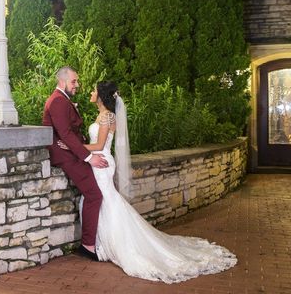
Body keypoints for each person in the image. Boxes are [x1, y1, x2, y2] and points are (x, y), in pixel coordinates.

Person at [60, 80, 237, 283]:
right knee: (104, 200)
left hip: (101, 162)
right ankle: (98, 244)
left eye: (94, 90)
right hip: (99, 161)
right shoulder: (103, 115)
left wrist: (71, 146)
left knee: (104, 200)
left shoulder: (107, 116)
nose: (90, 92)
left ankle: (108, 245)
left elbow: (99, 145)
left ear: (101, 95)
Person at [42, 66, 108, 261]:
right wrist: (89, 157)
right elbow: (65, 134)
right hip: (66, 156)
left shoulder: (61, 99)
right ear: (63, 81)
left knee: (93, 193)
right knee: (94, 194)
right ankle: (88, 246)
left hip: (71, 152)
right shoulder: (58, 101)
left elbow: (68, 133)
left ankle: (90, 242)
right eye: (74, 81)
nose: (77, 85)